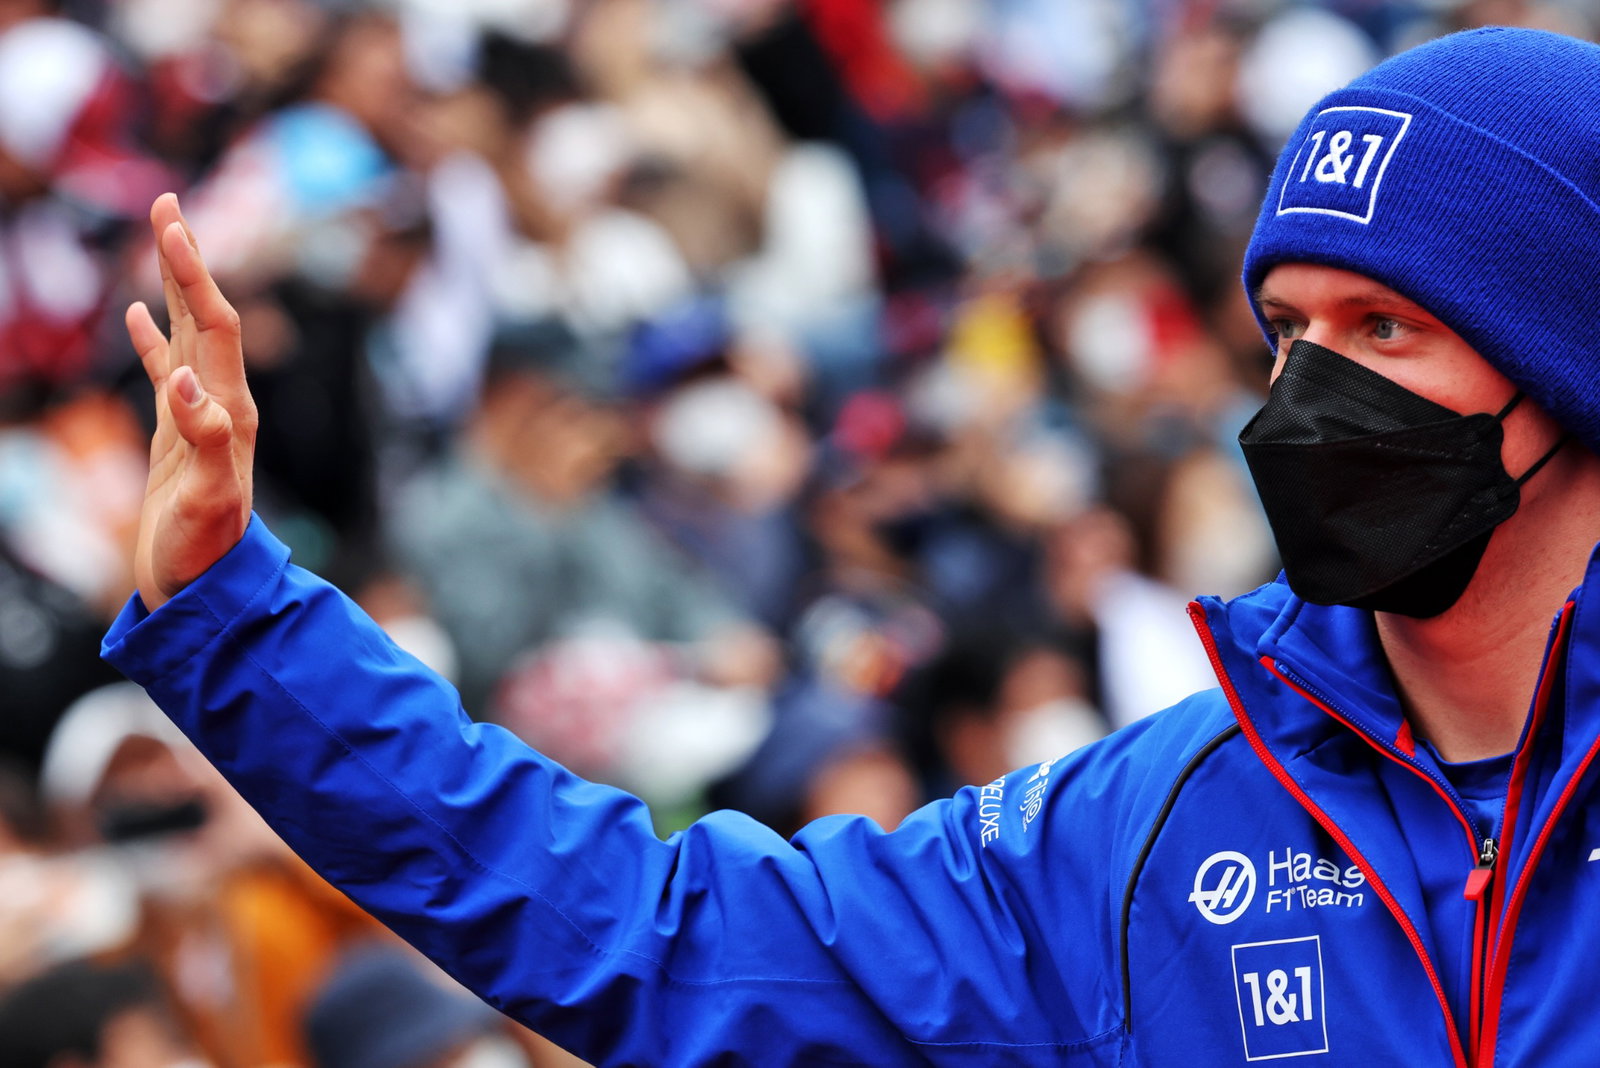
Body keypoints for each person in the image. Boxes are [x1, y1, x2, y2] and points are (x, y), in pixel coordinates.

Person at [102, 26, 1600, 1066]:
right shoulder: (1147, 834)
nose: (1311, 395)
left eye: (1384, 328)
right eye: (1288, 334)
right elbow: (665, 938)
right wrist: (242, 620)